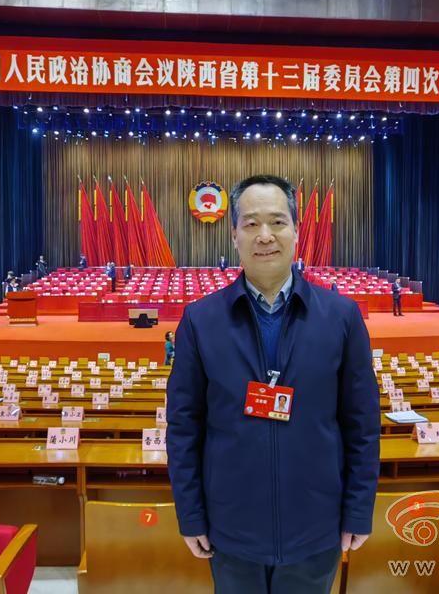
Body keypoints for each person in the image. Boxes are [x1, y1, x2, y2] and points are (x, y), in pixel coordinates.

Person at [167, 175, 379, 594]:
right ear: (234, 235)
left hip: (316, 528)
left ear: (297, 232)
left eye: (278, 222)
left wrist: (357, 511)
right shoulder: (200, 320)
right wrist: (190, 515)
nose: (265, 235)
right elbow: (184, 427)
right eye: (251, 224)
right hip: (230, 530)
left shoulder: (341, 317)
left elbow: (362, 425)